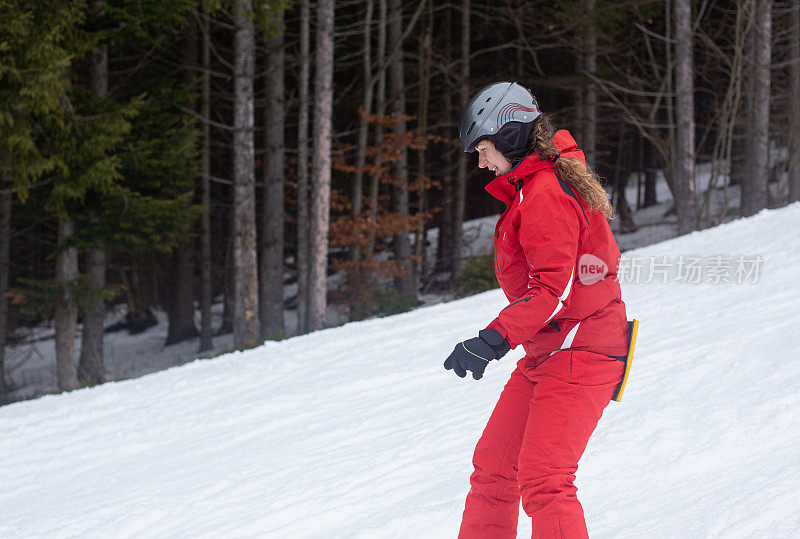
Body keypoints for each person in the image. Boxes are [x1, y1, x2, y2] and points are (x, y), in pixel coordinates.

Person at [444, 81, 631, 538]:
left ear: (508, 135)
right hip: (549, 350)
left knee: (545, 480)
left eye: (483, 148)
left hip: (581, 349)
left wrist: (492, 339)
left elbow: (556, 287)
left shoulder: (545, 190)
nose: (481, 162)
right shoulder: (532, 188)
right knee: (494, 471)